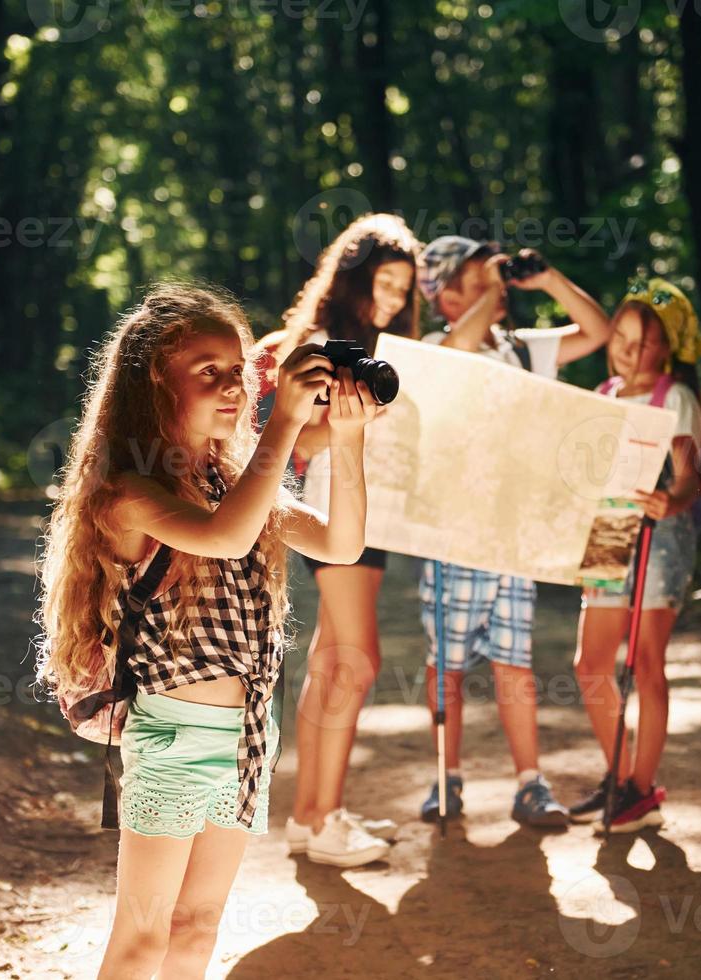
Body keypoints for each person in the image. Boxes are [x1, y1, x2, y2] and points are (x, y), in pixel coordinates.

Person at [35, 282, 381, 979]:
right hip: (172, 737)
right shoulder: (129, 491)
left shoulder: (233, 483)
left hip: (250, 733)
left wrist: (347, 440)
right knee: (142, 938)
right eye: (210, 372)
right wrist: (282, 426)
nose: (234, 388)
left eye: (239, 372)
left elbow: (342, 544)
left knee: (196, 931)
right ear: (155, 381)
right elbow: (223, 540)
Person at [413, 235, 613, 827]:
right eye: (475, 281)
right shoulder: (435, 346)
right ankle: (446, 777)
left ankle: (530, 782)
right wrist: (494, 290)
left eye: (490, 280)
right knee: (446, 659)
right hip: (455, 532)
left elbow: (597, 332)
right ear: (446, 296)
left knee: (513, 660)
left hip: (515, 533)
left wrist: (547, 281)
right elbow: (455, 355)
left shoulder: (523, 349)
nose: (490, 290)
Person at [258, 213, 421, 866]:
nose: (394, 298)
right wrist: (359, 426)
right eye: (385, 281)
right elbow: (295, 442)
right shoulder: (328, 345)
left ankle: (310, 818)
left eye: (404, 288)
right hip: (334, 508)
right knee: (357, 660)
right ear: (354, 278)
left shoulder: (375, 349)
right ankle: (323, 821)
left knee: (331, 659)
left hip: (364, 508)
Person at [568, 276, 701, 833]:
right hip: (607, 533)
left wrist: (667, 501)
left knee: (646, 665)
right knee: (590, 665)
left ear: (667, 347)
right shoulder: (603, 395)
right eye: (620, 336)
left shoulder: (674, 397)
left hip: (659, 536)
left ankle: (642, 790)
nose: (627, 349)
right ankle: (622, 779)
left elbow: (692, 478)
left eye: (643, 341)